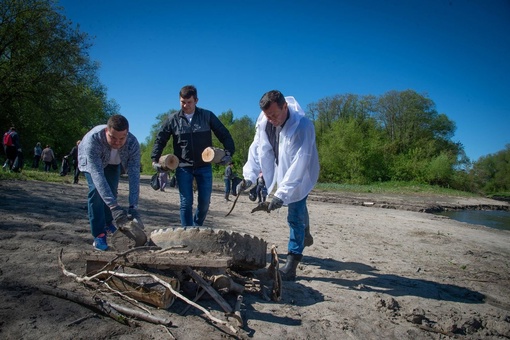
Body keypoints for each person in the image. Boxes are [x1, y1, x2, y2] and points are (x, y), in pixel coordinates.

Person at [237, 90, 319, 281]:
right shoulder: (264, 124)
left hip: (301, 176)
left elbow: (300, 163)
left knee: (295, 214)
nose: (271, 119)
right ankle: (305, 232)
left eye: (274, 115)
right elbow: (257, 151)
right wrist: (249, 177)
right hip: (281, 171)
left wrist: (281, 195)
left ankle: (292, 264)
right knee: (297, 210)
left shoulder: (303, 127)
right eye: (267, 115)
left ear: (285, 107)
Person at [151, 85, 235, 227]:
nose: (185, 105)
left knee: (204, 202)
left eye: (189, 102)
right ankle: (186, 231)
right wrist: (155, 159)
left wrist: (229, 152)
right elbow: (161, 139)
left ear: (196, 100)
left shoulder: (207, 116)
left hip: (204, 166)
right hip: (183, 166)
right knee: (186, 202)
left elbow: (223, 133)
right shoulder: (172, 119)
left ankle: (196, 227)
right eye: (182, 102)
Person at [78, 114, 143, 251]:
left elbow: (134, 176)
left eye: (121, 138)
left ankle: (108, 223)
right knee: (97, 191)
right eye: (113, 137)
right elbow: (97, 175)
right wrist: (115, 207)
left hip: (114, 163)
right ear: (107, 131)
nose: (117, 142)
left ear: (127, 133)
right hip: (92, 162)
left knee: (112, 191)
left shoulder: (133, 143)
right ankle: (99, 234)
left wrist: (133, 207)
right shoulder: (93, 140)